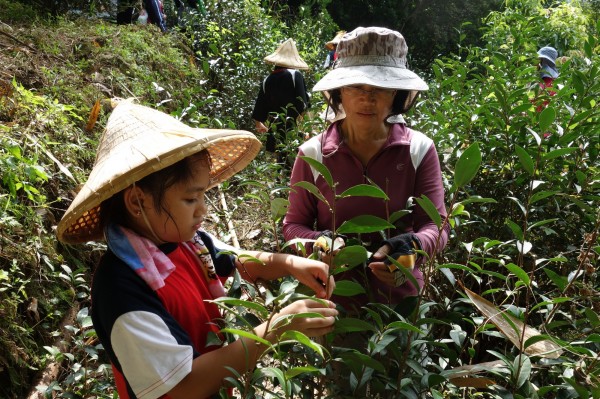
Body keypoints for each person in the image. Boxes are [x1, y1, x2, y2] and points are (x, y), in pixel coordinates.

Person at [56, 100, 337, 399]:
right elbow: (182, 387)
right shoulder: (121, 288)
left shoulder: (187, 243)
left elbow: (236, 261)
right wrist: (275, 328)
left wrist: (291, 264)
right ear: (138, 202)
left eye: (204, 195)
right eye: (191, 199)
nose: (202, 209)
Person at [283, 27, 450, 315]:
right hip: (332, 302)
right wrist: (319, 244)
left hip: (400, 306)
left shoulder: (418, 150)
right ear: (339, 93)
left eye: (380, 88)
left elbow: (438, 224)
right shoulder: (313, 154)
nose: (367, 98)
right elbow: (293, 225)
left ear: (396, 94)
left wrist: (411, 248)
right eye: (355, 86)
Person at [251, 38, 311, 169]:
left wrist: (259, 124)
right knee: (296, 165)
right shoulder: (296, 75)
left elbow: (260, 109)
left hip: (275, 130)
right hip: (293, 129)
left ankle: (281, 188)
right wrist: (304, 128)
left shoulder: (268, 79)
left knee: (282, 162)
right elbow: (303, 104)